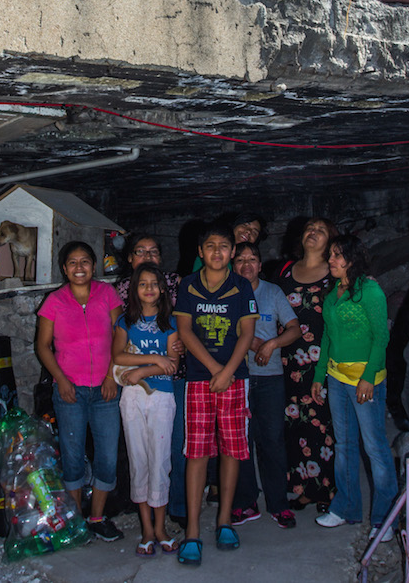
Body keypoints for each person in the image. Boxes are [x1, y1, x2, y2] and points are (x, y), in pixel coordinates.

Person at [173, 226, 258, 566]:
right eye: (211, 247)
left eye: (225, 247)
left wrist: (227, 372)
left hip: (234, 379)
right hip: (198, 380)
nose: (218, 253)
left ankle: (224, 521)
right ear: (201, 251)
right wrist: (213, 370)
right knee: (196, 453)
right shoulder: (188, 285)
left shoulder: (241, 286)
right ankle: (192, 531)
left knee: (232, 449)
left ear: (232, 251)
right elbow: (184, 330)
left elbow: (247, 333)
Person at [36, 240, 124, 542]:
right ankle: (75, 522)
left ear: (94, 265)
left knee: (107, 457)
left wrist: (113, 375)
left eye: (84, 261)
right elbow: (42, 346)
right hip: (70, 392)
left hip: (105, 391)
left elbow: (120, 337)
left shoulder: (107, 294)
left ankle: (97, 517)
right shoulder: (55, 301)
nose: (79, 267)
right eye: (72, 263)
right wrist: (60, 379)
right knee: (72, 457)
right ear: (64, 268)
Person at [312, 234, 398, 542]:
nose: (331, 261)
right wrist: (320, 377)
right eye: (331, 255)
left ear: (352, 260)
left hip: (364, 382)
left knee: (375, 448)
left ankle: (385, 519)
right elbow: (327, 337)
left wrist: (368, 377)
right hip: (336, 379)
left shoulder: (370, 292)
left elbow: (381, 337)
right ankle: (346, 508)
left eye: (337, 256)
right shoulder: (334, 292)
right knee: (344, 445)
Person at [116, 234, 186, 527]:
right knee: (138, 459)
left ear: (163, 290)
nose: (148, 289)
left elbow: (172, 365)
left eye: (154, 284)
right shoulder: (125, 321)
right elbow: (117, 356)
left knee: (161, 460)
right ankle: (146, 530)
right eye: (142, 284)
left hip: (162, 397)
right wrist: (156, 360)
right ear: (134, 288)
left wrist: (144, 369)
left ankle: (160, 528)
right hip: (131, 398)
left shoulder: (170, 325)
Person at [231, 242, 301, 529]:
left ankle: (278, 504)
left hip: (270, 378)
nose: (246, 265)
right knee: (241, 442)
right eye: (241, 260)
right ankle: (246, 502)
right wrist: (255, 343)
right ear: (232, 265)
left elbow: (294, 329)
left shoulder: (272, 292)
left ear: (261, 265)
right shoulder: (226, 293)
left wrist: (272, 343)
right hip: (238, 377)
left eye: (252, 260)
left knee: (271, 440)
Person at [277, 217, 338, 510]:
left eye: (321, 230)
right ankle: (304, 489)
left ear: (330, 241)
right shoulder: (287, 271)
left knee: (322, 426)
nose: (313, 233)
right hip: (288, 361)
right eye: (309, 229)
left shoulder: (334, 273)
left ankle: (326, 490)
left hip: (321, 361)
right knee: (295, 424)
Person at [192, 212, 265, 271]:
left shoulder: (249, 266)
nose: (248, 231)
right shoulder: (212, 254)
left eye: (254, 232)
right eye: (245, 225)